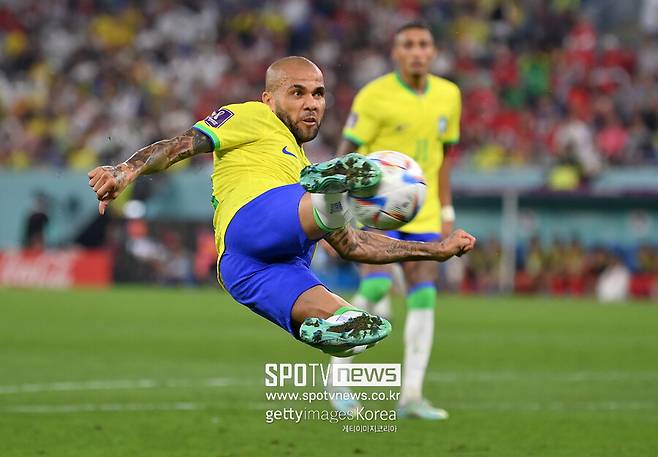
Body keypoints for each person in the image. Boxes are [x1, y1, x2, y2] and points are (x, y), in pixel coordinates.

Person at [87, 56, 476, 357]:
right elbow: (177, 146)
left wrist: (435, 250)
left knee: (358, 330)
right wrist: (125, 171)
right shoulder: (251, 117)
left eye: (318, 94)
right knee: (326, 202)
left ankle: (325, 333)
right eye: (298, 92)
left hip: (254, 270)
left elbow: (354, 246)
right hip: (251, 222)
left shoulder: (304, 171)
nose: (311, 104)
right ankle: (359, 183)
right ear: (269, 98)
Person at [331, 22, 461, 419]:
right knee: (377, 284)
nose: (417, 51)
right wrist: (335, 212)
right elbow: (346, 151)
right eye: (409, 45)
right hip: (372, 210)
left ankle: (412, 395)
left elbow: (443, 159)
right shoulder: (374, 96)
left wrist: (447, 211)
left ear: (434, 50)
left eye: (424, 44)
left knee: (424, 293)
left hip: (424, 210)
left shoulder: (449, 95)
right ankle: (337, 379)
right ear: (396, 53)